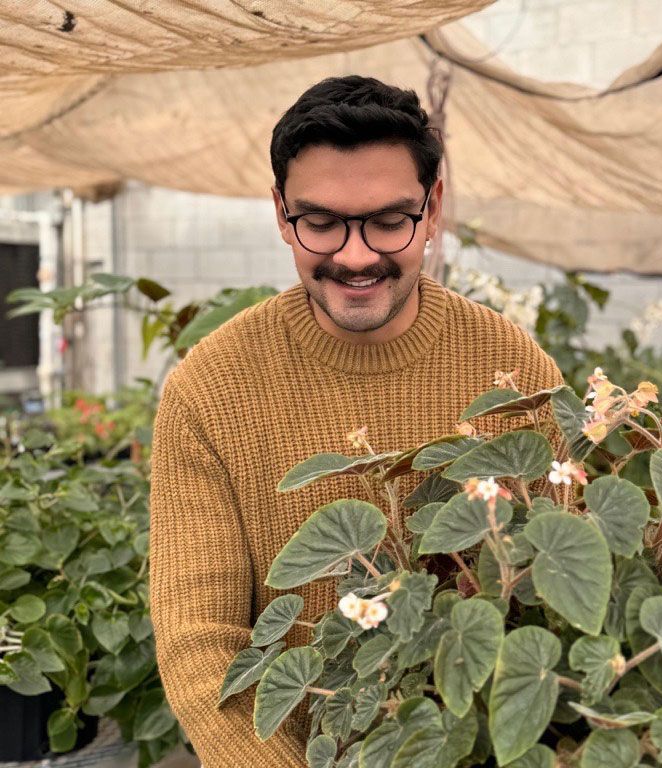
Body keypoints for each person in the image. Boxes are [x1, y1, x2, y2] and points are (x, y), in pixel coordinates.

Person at [149, 75, 566, 768]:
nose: (354, 255)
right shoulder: (212, 388)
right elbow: (202, 642)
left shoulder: (509, 367)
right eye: (321, 222)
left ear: (432, 210)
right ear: (282, 215)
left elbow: (563, 580)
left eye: (388, 220)